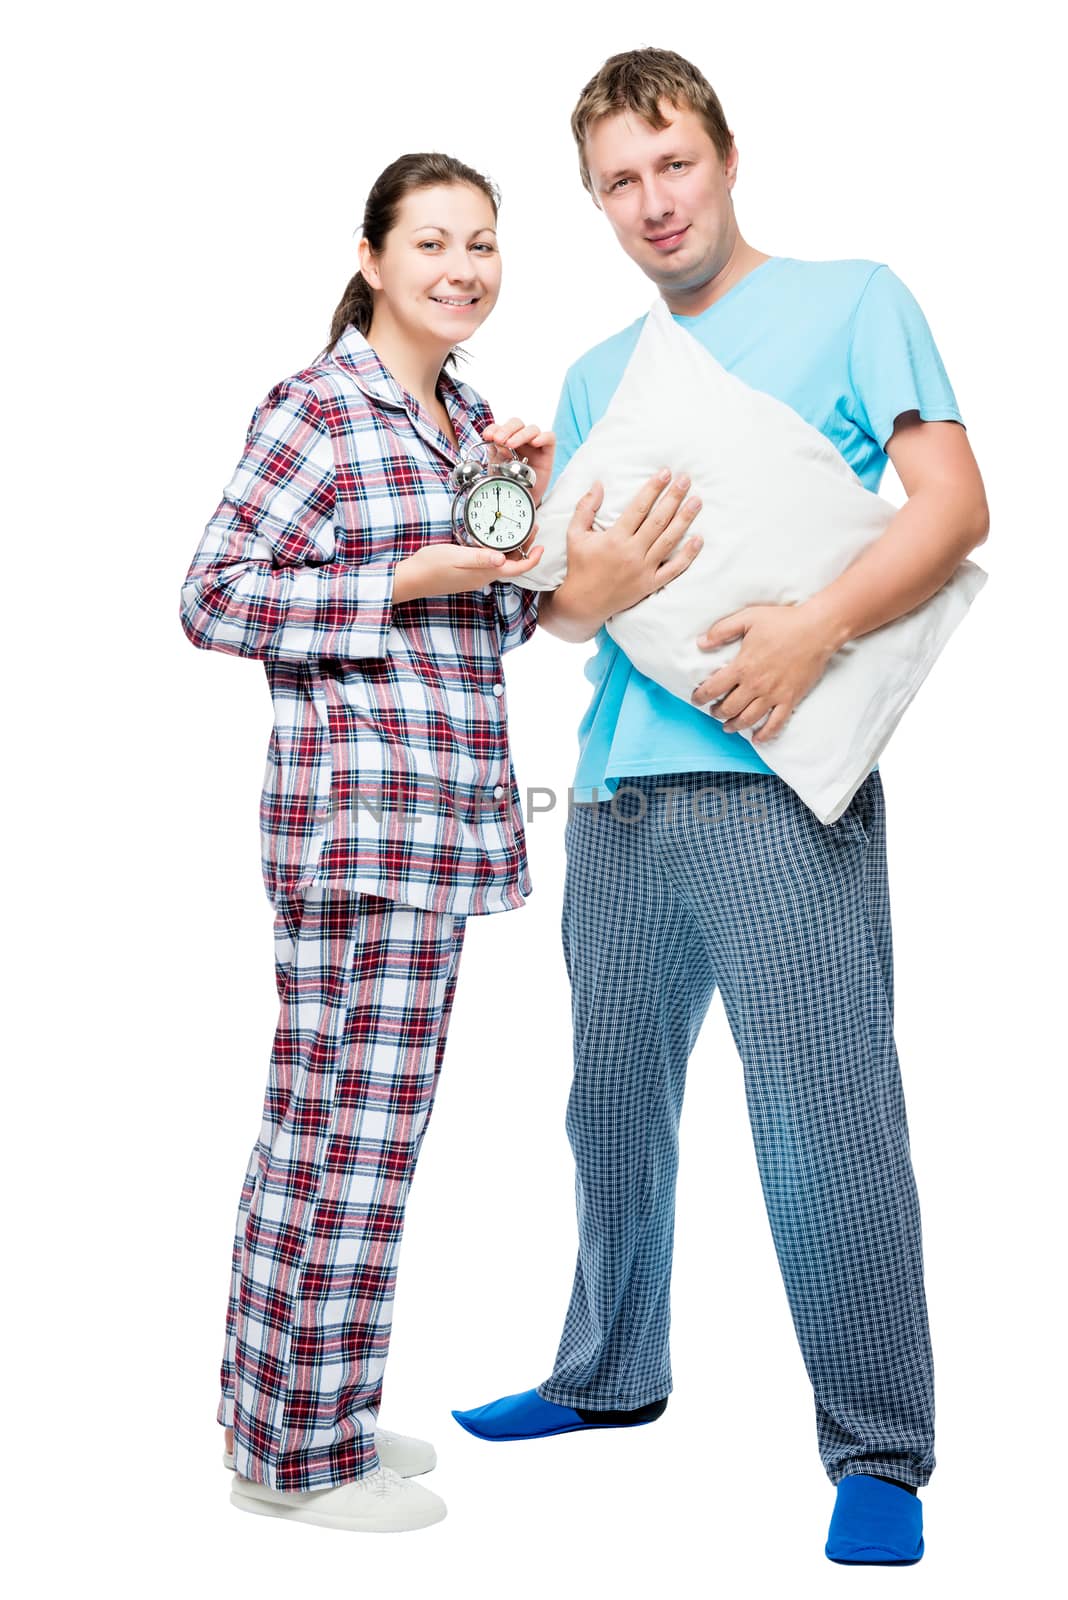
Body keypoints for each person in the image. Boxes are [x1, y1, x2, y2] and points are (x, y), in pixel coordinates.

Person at [451, 48, 989, 1567]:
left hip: (776, 797)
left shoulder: (854, 300)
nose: (651, 203)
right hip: (617, 793)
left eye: (669, 163)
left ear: (725, 155)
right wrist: (571, 571)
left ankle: (880, 1450)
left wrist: (814, 628)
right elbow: (565, 610)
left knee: (824, 1125)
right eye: (617, 184)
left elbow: (955, 509)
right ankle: (609, 1374)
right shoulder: (593, 380)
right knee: (608, 1108)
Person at [179, 152, 559, 1534]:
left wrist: (517, 505)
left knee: (340, 1126)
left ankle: (288, 1409)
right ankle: (301, 1457)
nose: (464, 267)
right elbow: (213, 597)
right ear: (375, 255)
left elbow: (491, 626)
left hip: (438, 821)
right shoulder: (319, 410)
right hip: (360, 828)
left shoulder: (458, 420)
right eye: (436, 242)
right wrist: (404, 574)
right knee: (347, 1130)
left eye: (485, 244)